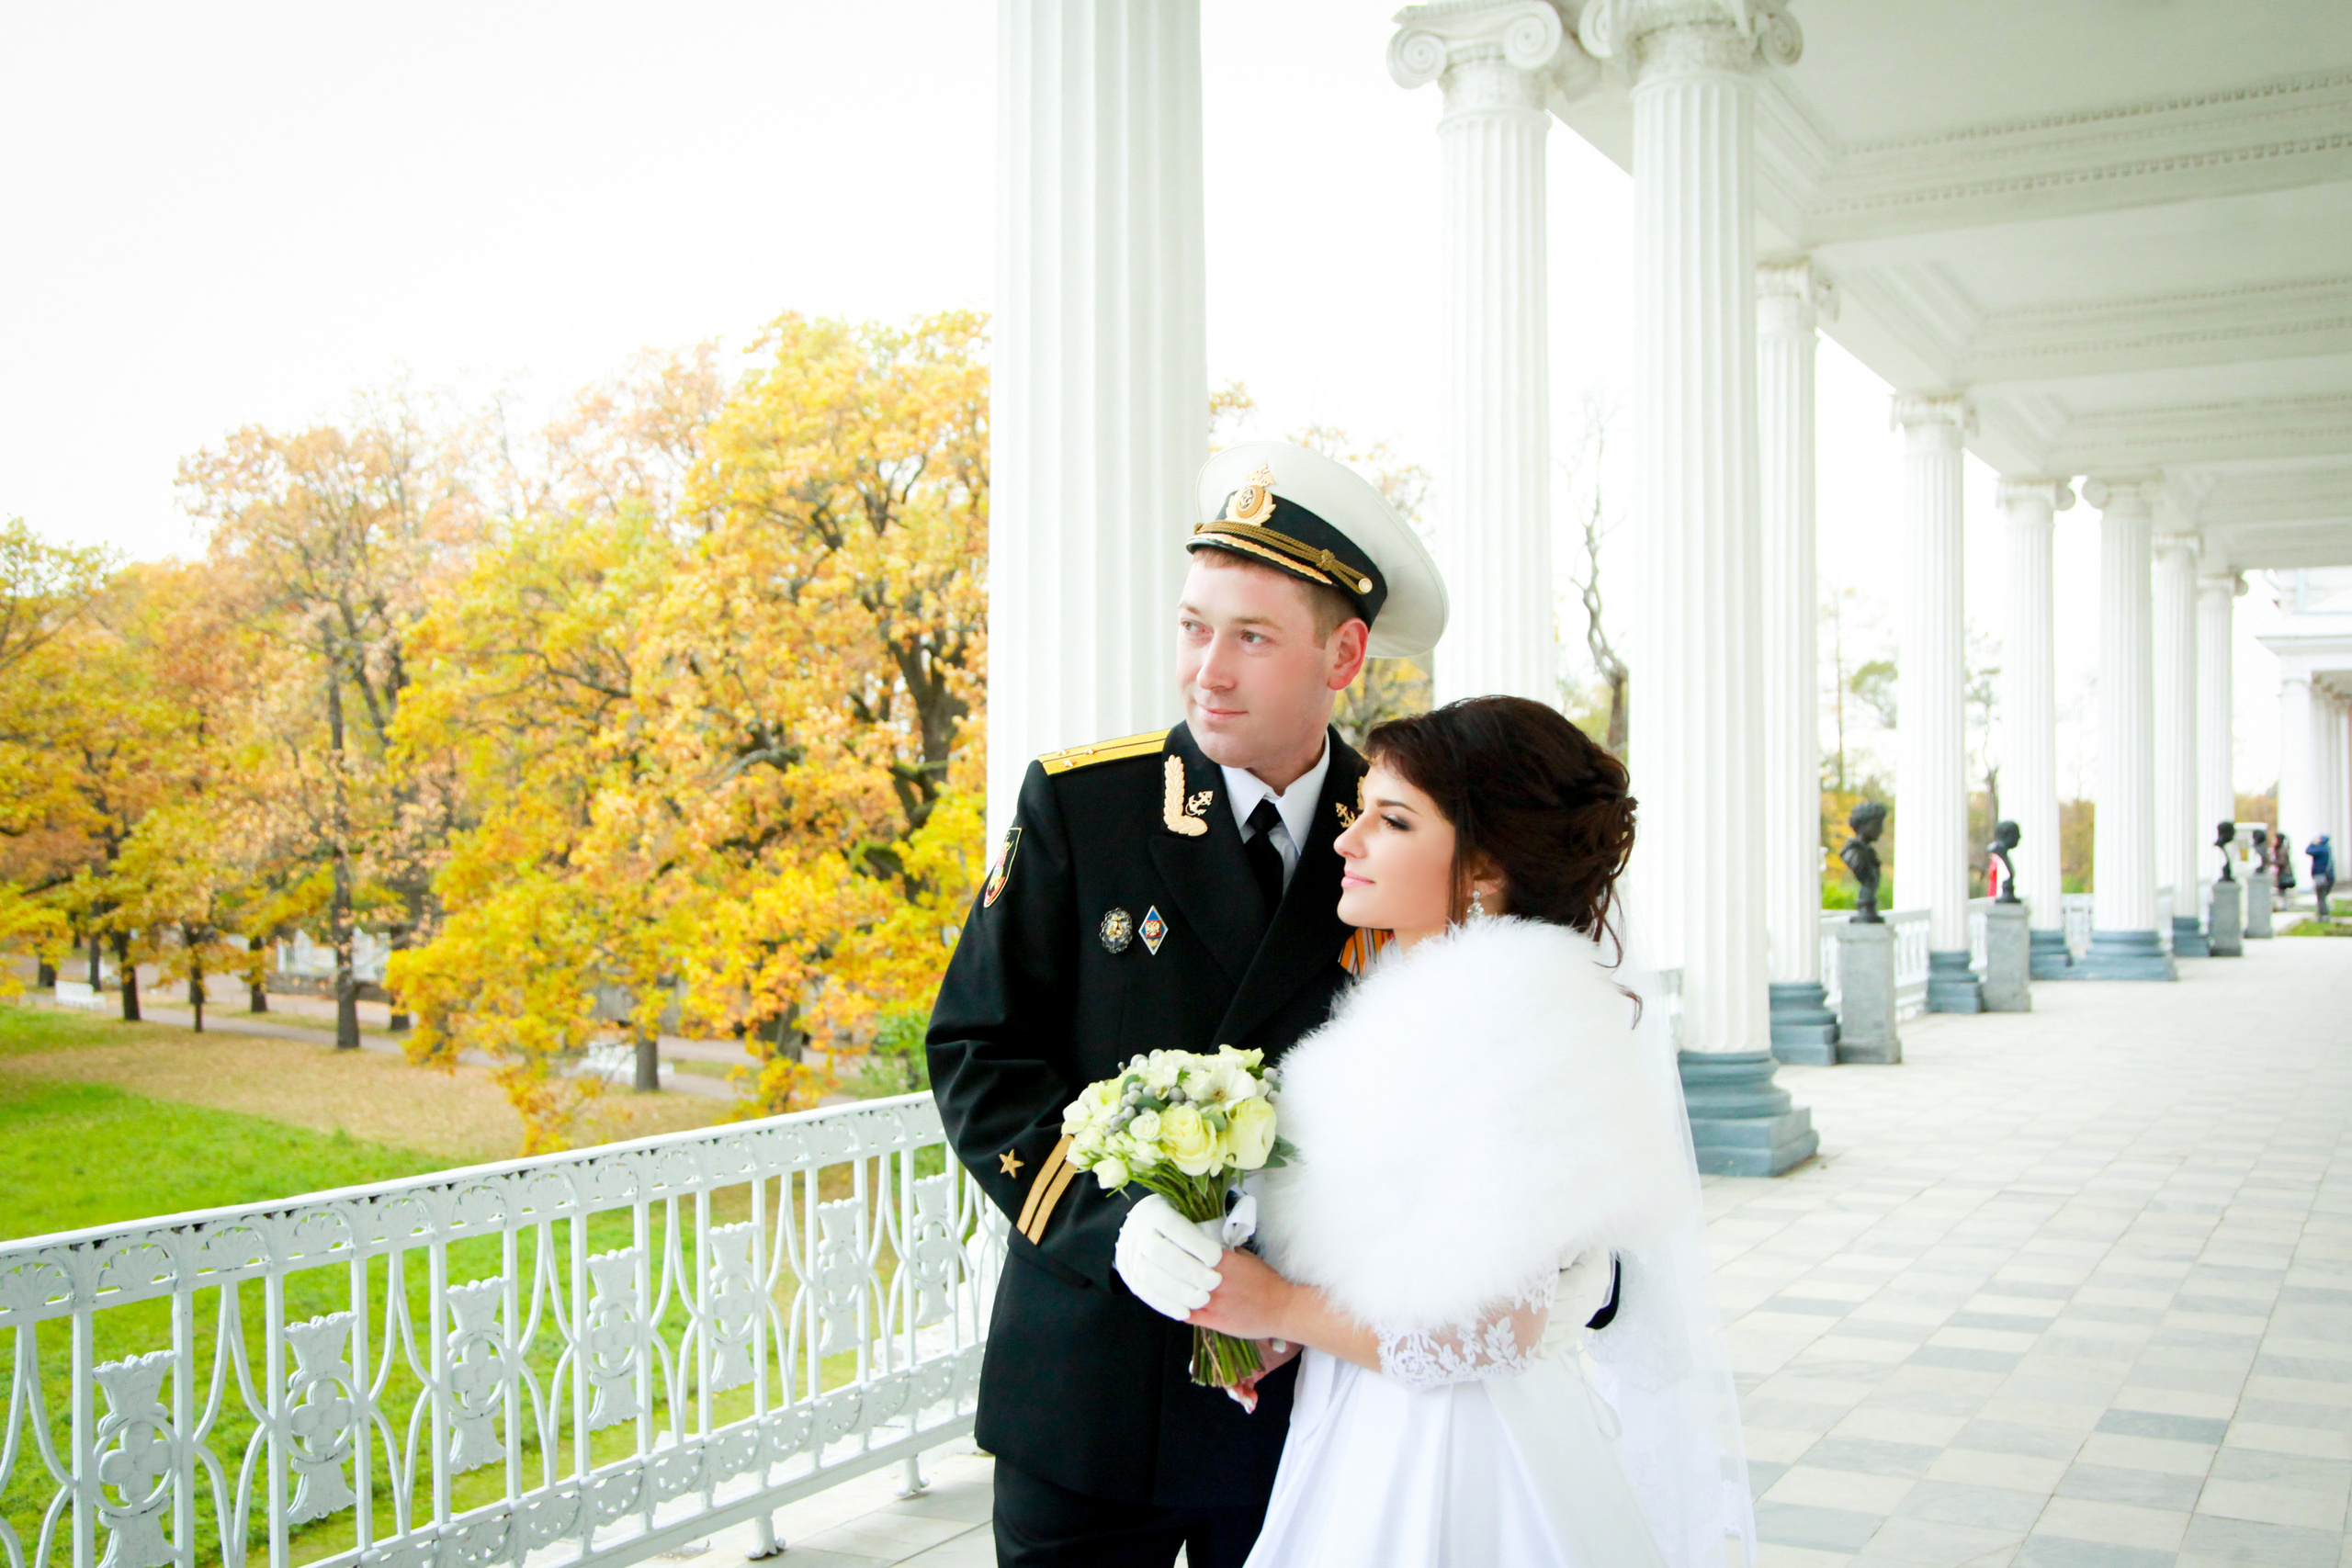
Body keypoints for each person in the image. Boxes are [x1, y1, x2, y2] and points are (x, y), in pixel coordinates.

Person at [924, 442, 1447, 1566]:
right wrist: (1117, 1227)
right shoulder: (1085, 807)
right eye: (1191, 625)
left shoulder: (1407, 832)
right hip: (1086, 1387)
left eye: (1251, 637)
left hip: (1303, 1399)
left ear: (1343, 654)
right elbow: (977, 1049)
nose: (1205, 669)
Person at [1147, 696, 1756, 1568]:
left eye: (1391, 821)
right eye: (1361, 814)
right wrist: (1281, 1327)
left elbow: (1501, 1324)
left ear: (1483, 870)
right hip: (1366, 1411)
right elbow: (1387, 1246)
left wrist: (1281, 1307)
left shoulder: (1517, 1018)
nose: (1348, 840)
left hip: (1463, 1448)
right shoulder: (1402, 994)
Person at [2309, 833, 2335, 918]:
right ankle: (2323, 913)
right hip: (2327, 877)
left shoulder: (2321, 849)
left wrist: (2312, 843)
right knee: (2322, 897)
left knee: (2321, 897)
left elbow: (2308, 850)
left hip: (2321, 876)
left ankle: (2323, 915)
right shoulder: (2327, 849)